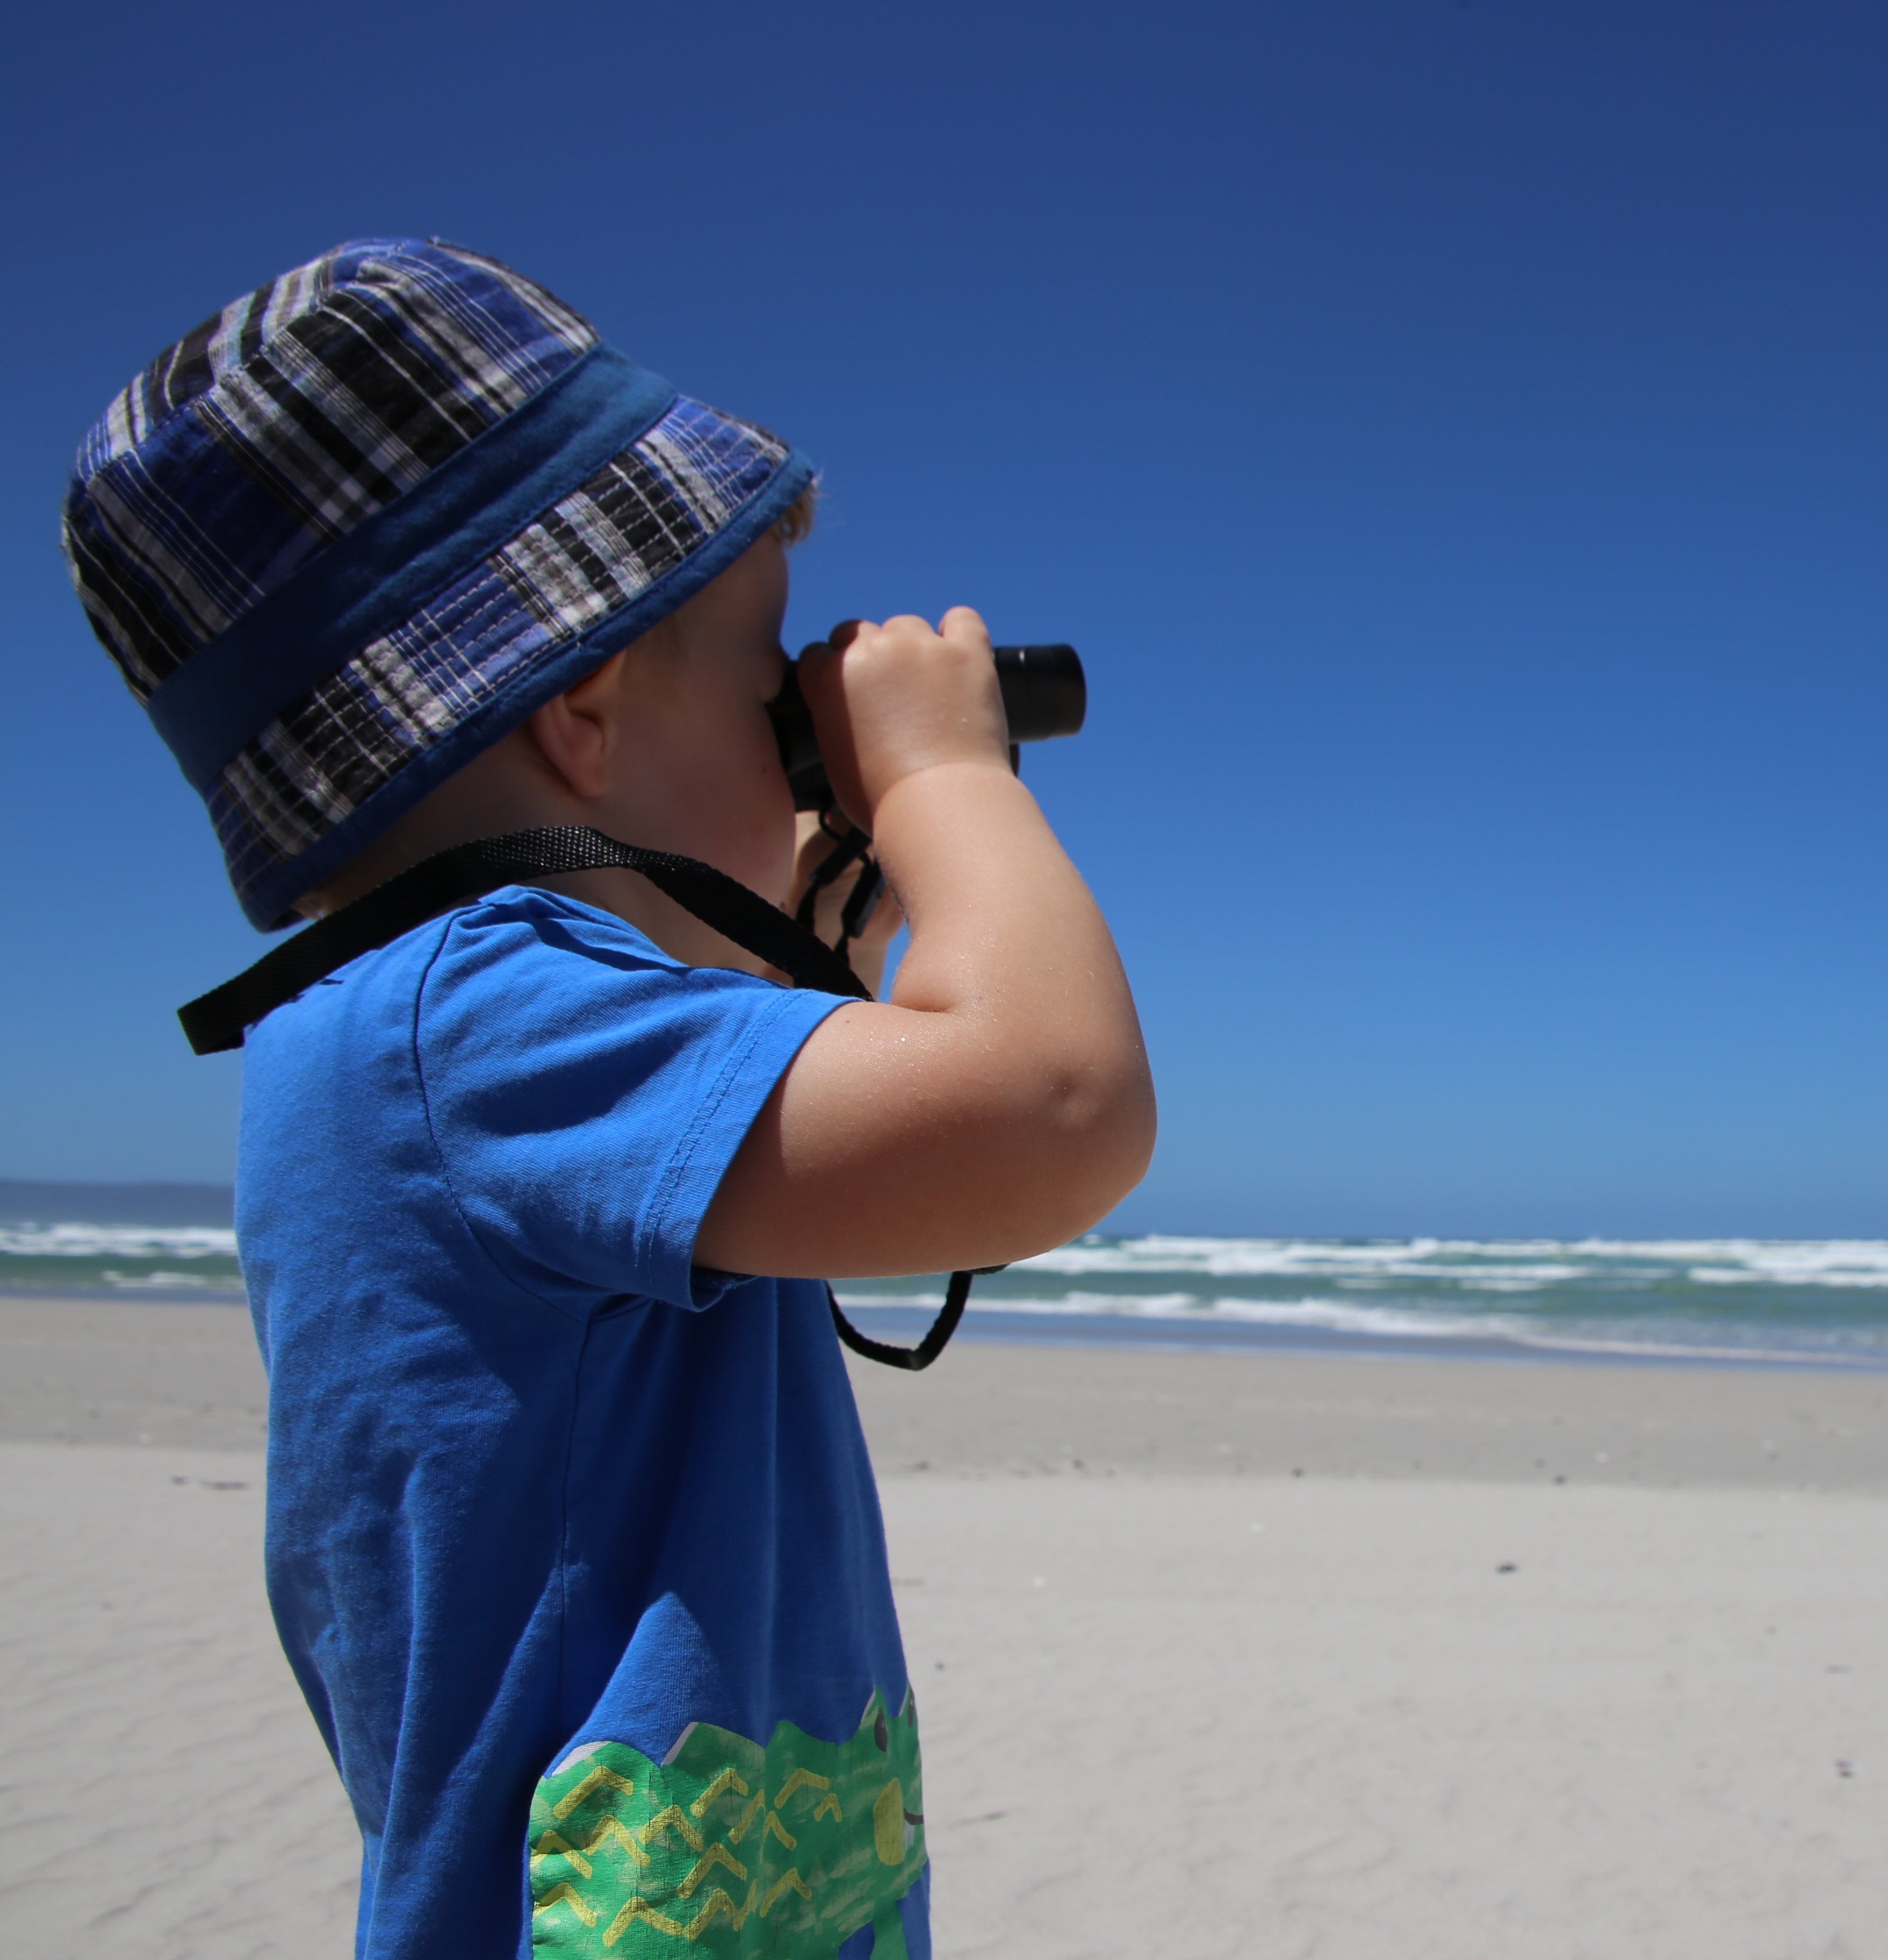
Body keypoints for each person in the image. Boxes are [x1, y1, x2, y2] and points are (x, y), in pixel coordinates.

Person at [61, 237, 1154, 1959]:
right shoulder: (476, 1015)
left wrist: (791, 953)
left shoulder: (422, 1031)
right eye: (763, 677)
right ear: (581, 716)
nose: (800, 734)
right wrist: (944, 779)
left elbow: (877, 1146)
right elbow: (1053, 1105)